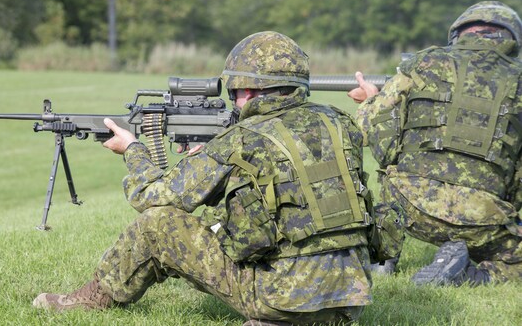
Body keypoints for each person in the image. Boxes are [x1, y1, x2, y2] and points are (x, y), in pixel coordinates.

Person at [32, 31, 376, 325]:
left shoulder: (238, 140)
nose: (235, 99)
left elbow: (152, 196)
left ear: (253, 90)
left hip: (281, 297)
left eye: (236, 90)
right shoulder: (340, 123)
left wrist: (133, 149)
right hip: (351, 297)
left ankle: (93, 298)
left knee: (157, 225)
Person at [348, 1, 522, 286]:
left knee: (393, 177)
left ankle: (382, 256)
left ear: (460, 33)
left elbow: (373, 135)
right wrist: (503, 211)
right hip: (480, 219)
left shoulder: (423, 63)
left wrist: (371, 100)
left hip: (408, 206)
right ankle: (471, 276)